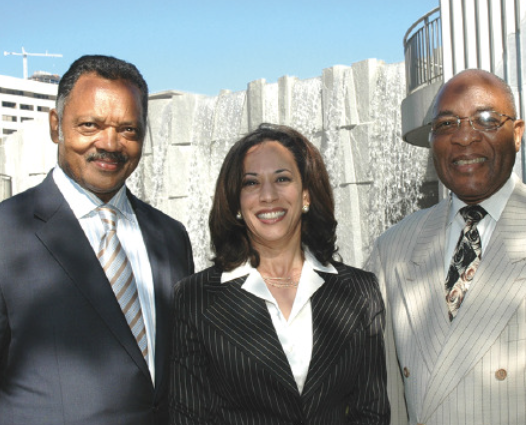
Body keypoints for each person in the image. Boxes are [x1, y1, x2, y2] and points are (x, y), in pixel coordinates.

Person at [366, 69, 526, 424]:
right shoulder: (393, 249)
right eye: (446, 124)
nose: (464, 137)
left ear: (517, 134)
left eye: (485, 119)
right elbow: (387, 402)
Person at [0, 55, 194, 424]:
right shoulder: (5, 234)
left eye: (128, 129)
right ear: (56, 126)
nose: (110, 143)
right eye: (90, 125)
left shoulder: (171, 236)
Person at [169, 123, 390, 424]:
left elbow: (372, 413)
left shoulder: (360, 292)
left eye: (282, 179)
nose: (268, 195)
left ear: (306, 195)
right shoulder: (194, 298)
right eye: (251, 183)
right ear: (236, 202)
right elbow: (187, 417)